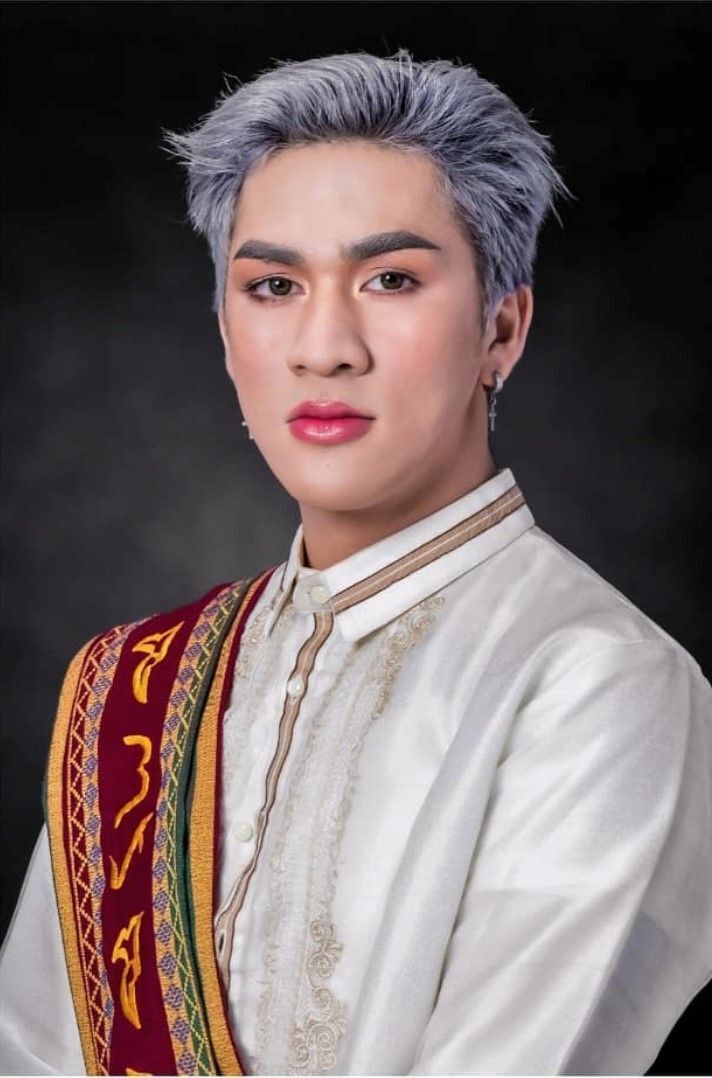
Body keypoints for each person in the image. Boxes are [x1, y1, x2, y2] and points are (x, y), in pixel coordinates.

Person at [1, 48, 710, 1077]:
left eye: (390, 278)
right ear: (225, 332)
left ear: (500, 328)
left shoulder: (595, 681)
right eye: (274, 284)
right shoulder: (131, 682)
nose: (325, 345)